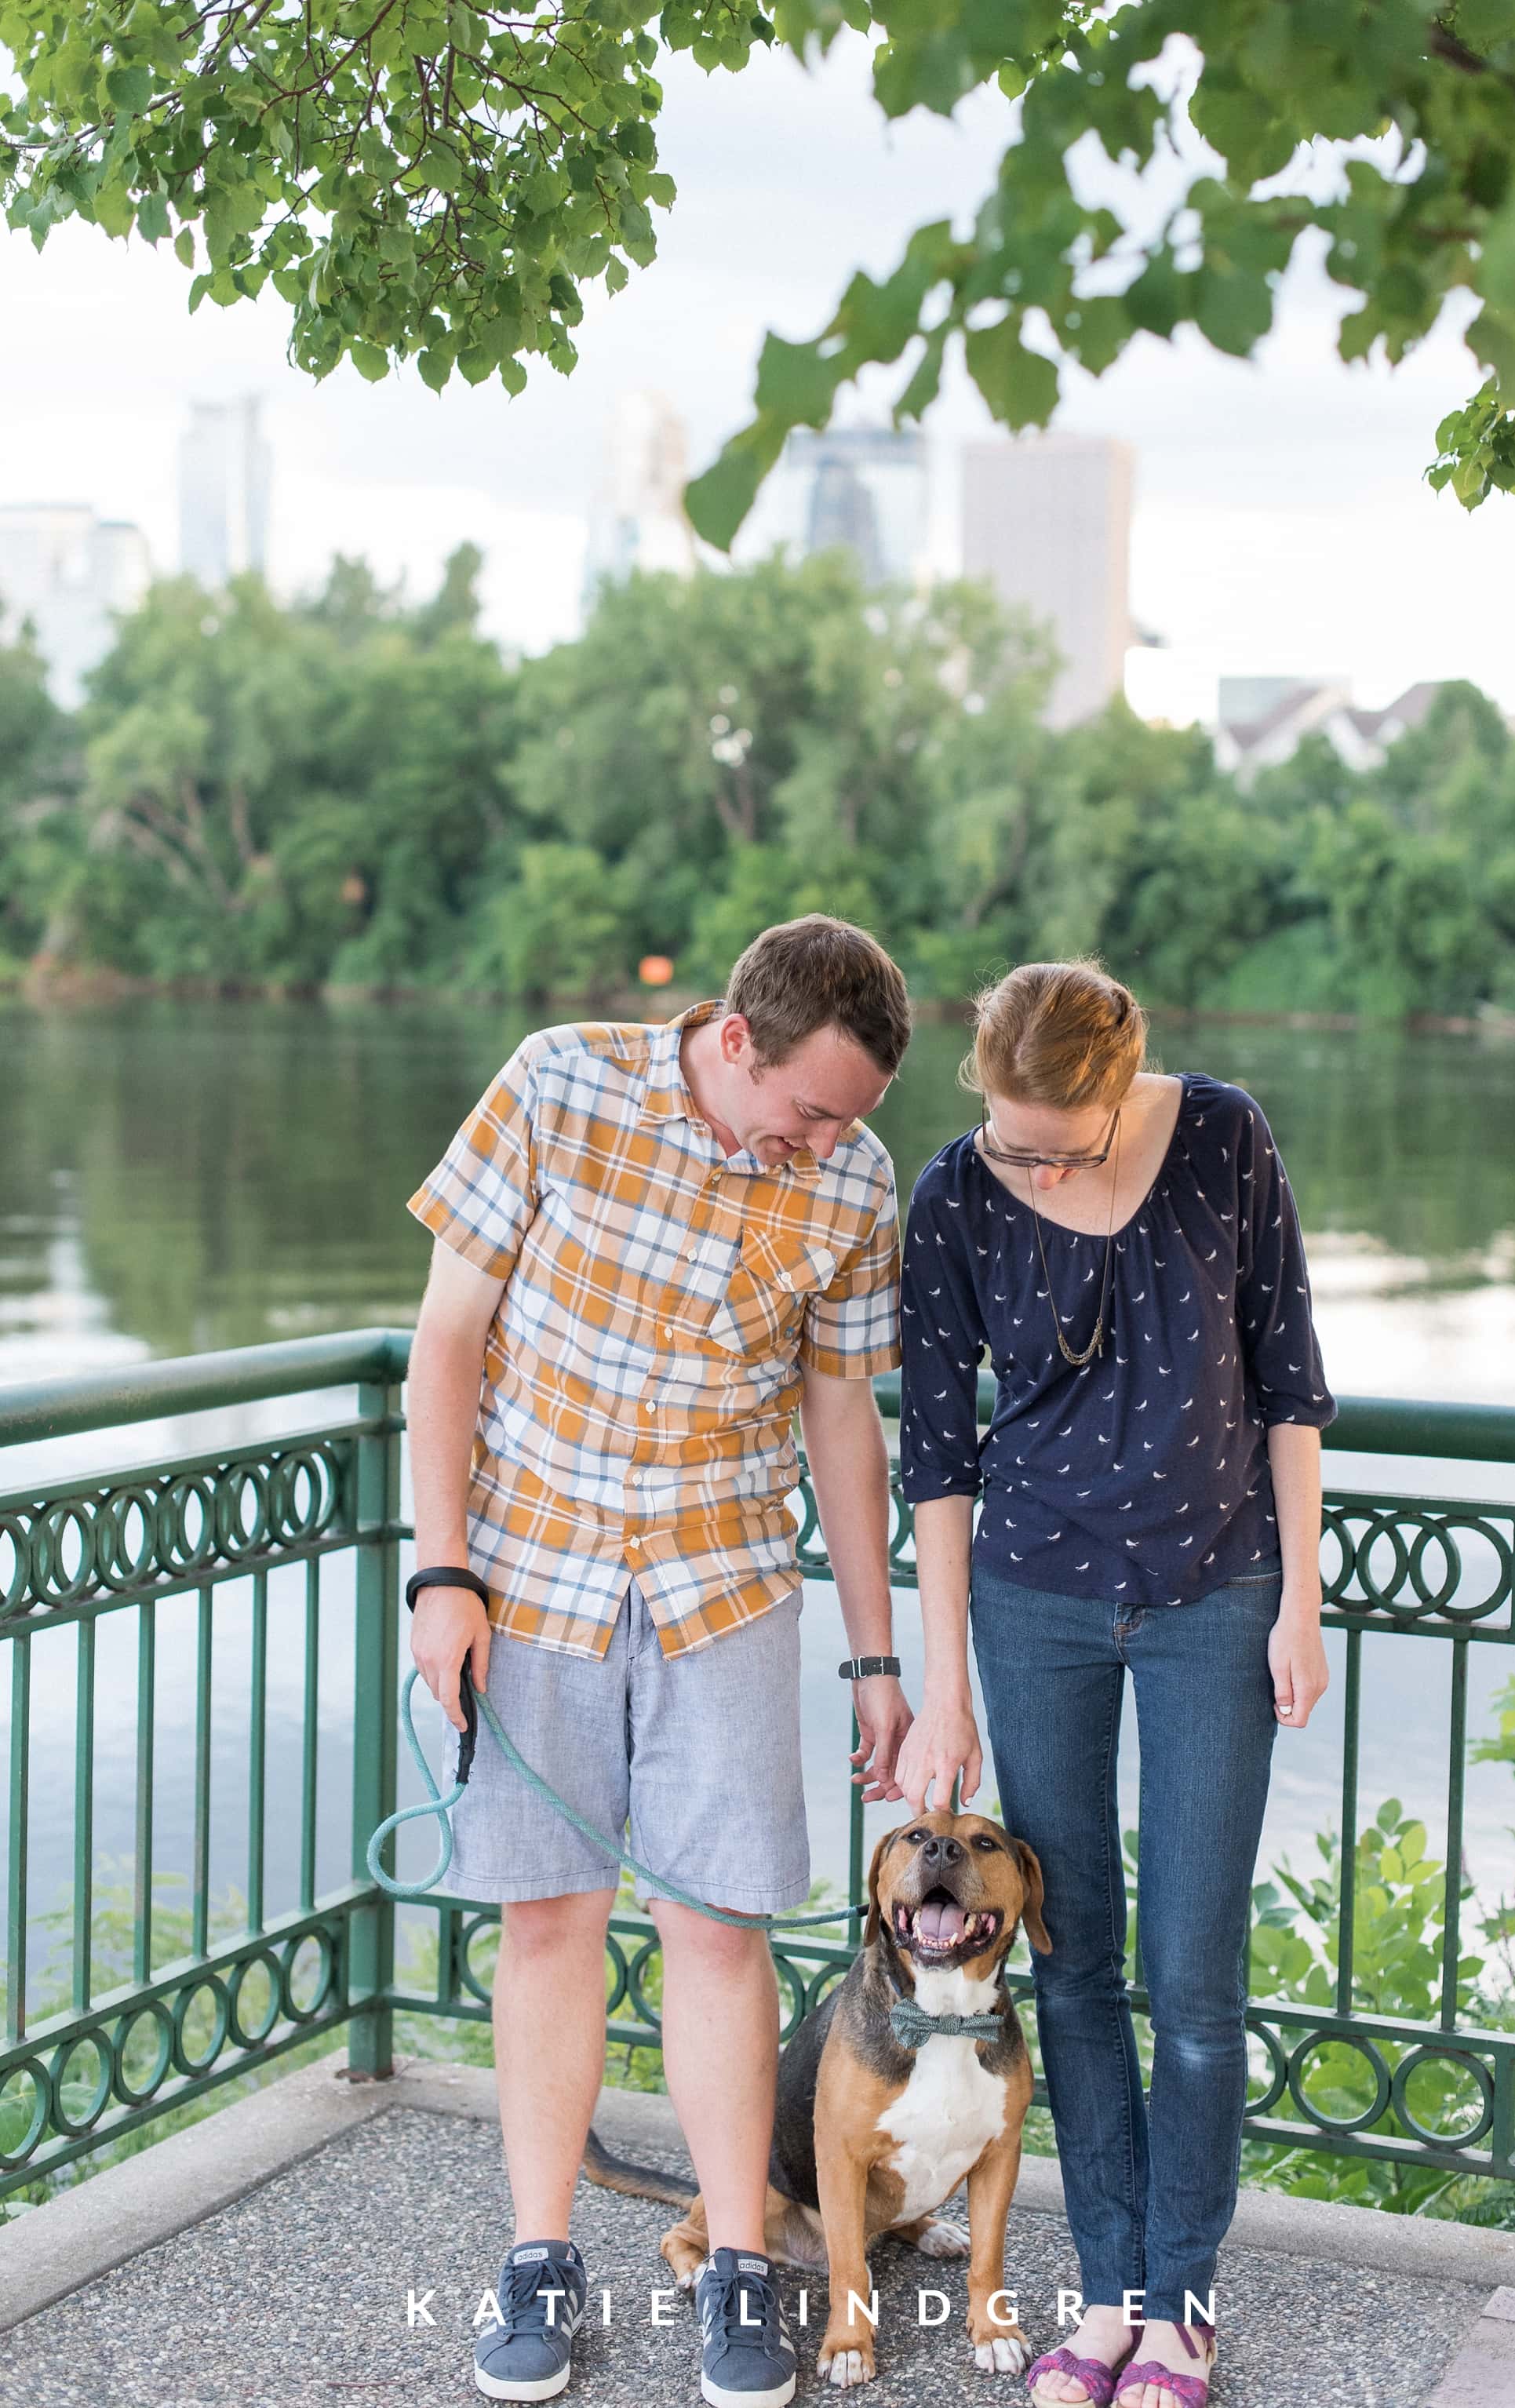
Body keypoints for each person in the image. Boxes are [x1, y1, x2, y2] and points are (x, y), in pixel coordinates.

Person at [403, 916, 916, 2407]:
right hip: (529, 1571)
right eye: (809, 1110)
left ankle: (746, 2269)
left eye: (852, 1121)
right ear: (735, 1039)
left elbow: (840, 1419)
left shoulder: (856, 1180)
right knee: (551, 1920)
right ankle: (540, 2259)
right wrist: (442, 1577)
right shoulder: (559, 1084)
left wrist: (874, 1653)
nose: (824, 1144)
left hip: (728, 1584)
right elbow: (447, 1339)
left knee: (718, 1928)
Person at [893, 960, 1333, 2408]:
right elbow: (939, 1457)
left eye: (1057, 1140)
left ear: (1123, 1074)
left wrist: (1301, 1604)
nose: (1030, 1161)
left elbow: (1288, 1377)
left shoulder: (1223, 1137)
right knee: (1073, 1962)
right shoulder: (955, 1195)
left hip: (1220, 1595)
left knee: (1197, 1983)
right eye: (1010, 1132)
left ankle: (1184, 2305)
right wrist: (940, 1681)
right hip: (1033, 1602)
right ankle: (1105, 2294)